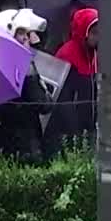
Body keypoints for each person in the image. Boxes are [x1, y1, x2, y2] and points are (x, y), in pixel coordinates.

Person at [0, 9, 52, 164]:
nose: (26, 37)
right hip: (26, 144)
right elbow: (44, 104)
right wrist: (44, 88)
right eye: (20, 33)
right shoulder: (24, 67)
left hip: (0, 145)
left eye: (27, 32)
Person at [45, 8, 99, 158]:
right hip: (70, 125)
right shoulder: (66, 55)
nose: (98, 37)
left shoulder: (94, 54)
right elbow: (63, 99)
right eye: (94, 33)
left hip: (89, 122)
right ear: (84, 32)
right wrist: (73, 130)